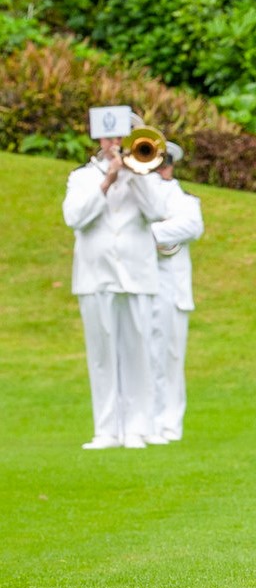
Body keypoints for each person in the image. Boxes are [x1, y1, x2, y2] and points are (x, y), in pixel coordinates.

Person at [64, 113, 166, 450]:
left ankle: (137, 428)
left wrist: (134, 175)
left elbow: (157, 212)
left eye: (121, 138)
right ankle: (106, 430)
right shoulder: (80, 177)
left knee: (138, 352)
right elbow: (74, 218)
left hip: (137, 275)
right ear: (99, 141)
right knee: (101, 355)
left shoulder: (147, 176)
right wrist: (107, 180)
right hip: (95, 276)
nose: (115, 145)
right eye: (109, 139)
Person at [151, 143, 203, 444]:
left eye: (163, 164)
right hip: (137, 286)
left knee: (169, 357)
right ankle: (142, 422)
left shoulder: (184, 200)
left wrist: (145, 235)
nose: (160, 171)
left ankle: (169, 424)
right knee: (138, 356)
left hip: (171, 289)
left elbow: (192, 226)